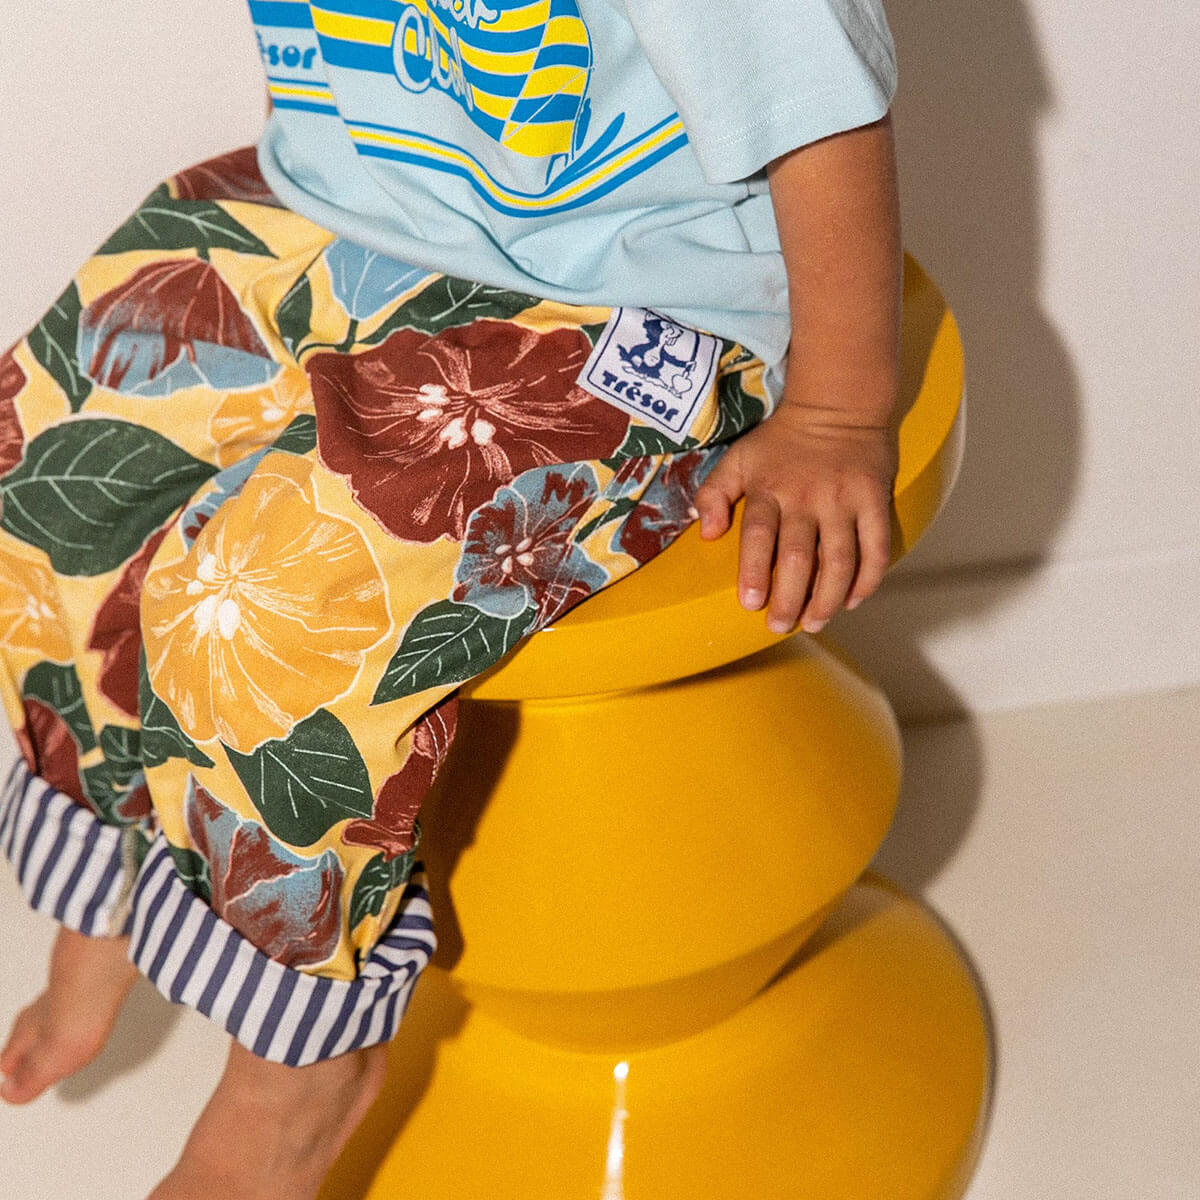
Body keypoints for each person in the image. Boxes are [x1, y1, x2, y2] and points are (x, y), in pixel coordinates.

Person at [0, 0, 902, 1195]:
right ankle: (123, 860)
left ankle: (296, 1077)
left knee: (272, 607)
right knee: (44, 464)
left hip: (625, 300)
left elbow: (818, 107)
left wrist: (837, 413)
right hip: (354, 215)